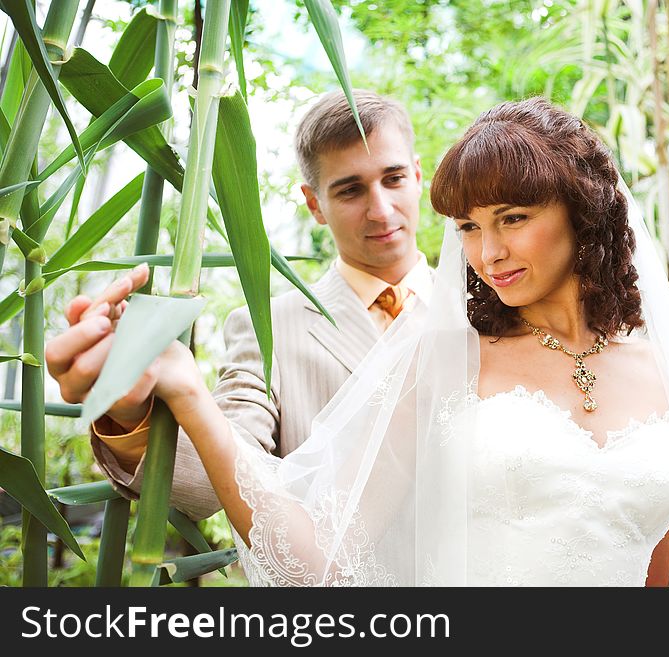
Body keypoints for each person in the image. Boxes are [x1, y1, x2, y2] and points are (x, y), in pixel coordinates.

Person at [56, 97, 669, 586]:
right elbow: (308, 549)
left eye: (513, 217)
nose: (487, 252)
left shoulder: (665, 370)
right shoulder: (441, 352)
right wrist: (172, 387)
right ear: (315, 203)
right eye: (468, 226)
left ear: (583, 211)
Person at [45, 89, 432, 521]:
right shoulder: (269, 328)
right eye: (350, 191)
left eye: (393, 179)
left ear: (417, 176)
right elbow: (216, 481)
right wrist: (130, 412)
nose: (380, 210)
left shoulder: (494, 309)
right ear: (314, 204)